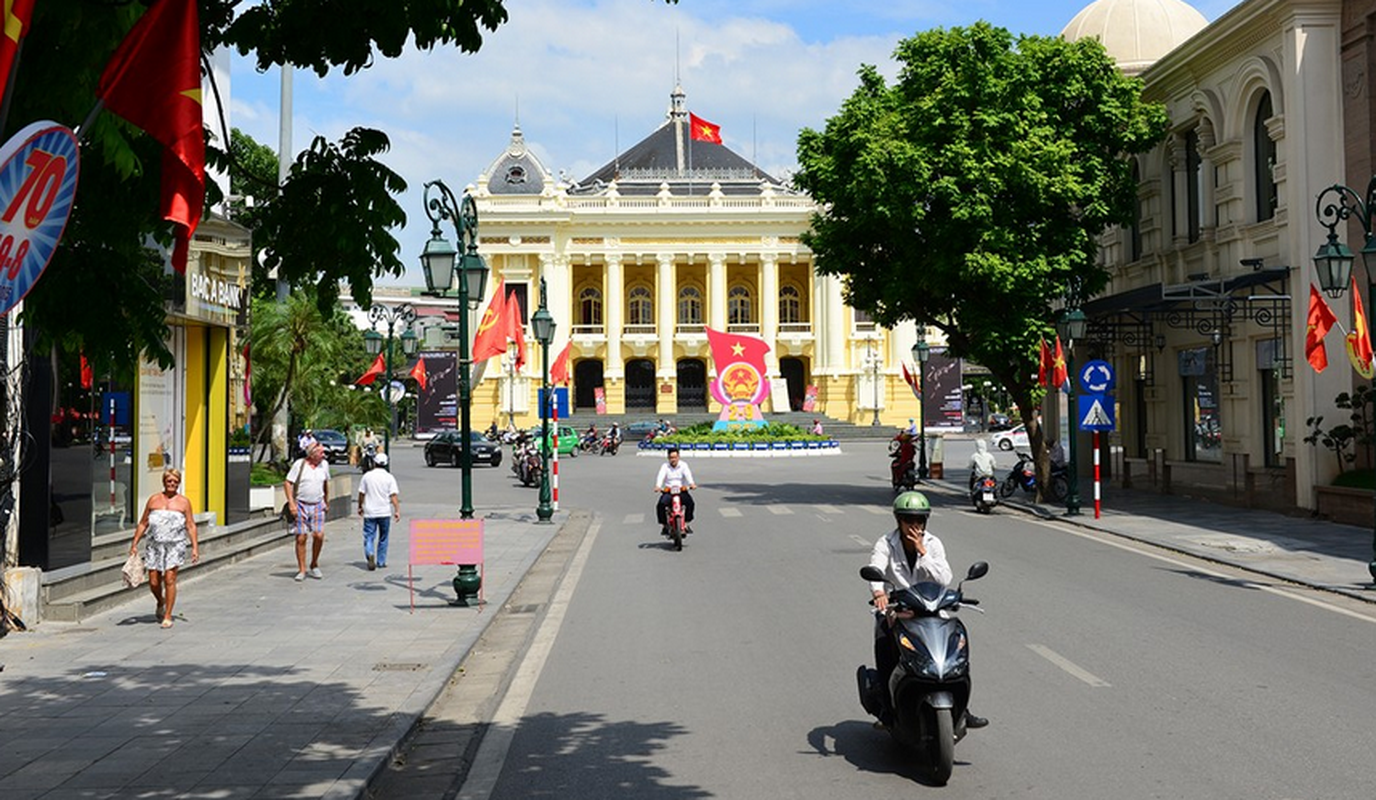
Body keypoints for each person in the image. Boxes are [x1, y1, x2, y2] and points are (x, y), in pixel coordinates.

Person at [867, 491, 987, 729]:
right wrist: (879, 593)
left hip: (931, 609)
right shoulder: (886, 543)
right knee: (884, 645)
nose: (914, 526)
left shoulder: (932, 544)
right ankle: (887, 709)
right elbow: (875, 568)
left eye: (919, 521)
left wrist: (922, 551)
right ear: (898, 521)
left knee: (956, 648)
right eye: (908, 521)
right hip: (898, 610)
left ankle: (962, 709)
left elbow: (945, 578)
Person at [129, 468, 200, 628]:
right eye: (169, 481)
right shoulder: (154, 500)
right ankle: (160, 601)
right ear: (164, 482)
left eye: (175, 481)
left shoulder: (183, 502)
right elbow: (143, 523)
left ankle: (168, 615)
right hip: (154, 545)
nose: (172, 484)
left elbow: (190, 525)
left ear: (179, 483)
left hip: (175, 545)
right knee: (154, 581)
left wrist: (195, 547)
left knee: (169, 578)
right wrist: (134, 543)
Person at [285, 444, 331, 581]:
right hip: (301, 504)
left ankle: (314, 563)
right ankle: (302, 569)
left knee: (319, 535)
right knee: (301, 537)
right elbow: (288, 483)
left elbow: (325, 484)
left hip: (317, 504)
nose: (323, 455)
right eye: (321, 453)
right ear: (312, 454)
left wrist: (326, 500)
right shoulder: (300, 465)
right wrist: (291, 503)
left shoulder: (324, 465)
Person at [357, 451, 400, 571]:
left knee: (369, 536)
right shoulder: (389, 477)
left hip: (370, 511)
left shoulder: (367, 476)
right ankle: (381, 561)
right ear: (386, 464)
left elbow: (361, 493)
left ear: (374, 463)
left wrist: (360, 506)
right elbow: (393, 496)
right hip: (384, 512)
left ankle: (370, 553)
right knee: (383, 537)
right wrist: (397, 510)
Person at [653, 447, 697, 536]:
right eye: (671, 458)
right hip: (669, 491)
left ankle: (687, 523)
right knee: (661, 505)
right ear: (668, 458)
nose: (673, 460)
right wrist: (658, 486)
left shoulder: (683, 465)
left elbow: (688, 475)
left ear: (678, 457)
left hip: (681, 490)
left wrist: (692, 484)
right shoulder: (665, 466)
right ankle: (664, 525)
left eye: (675, 457)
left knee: (690, 503)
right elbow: (661, 476)